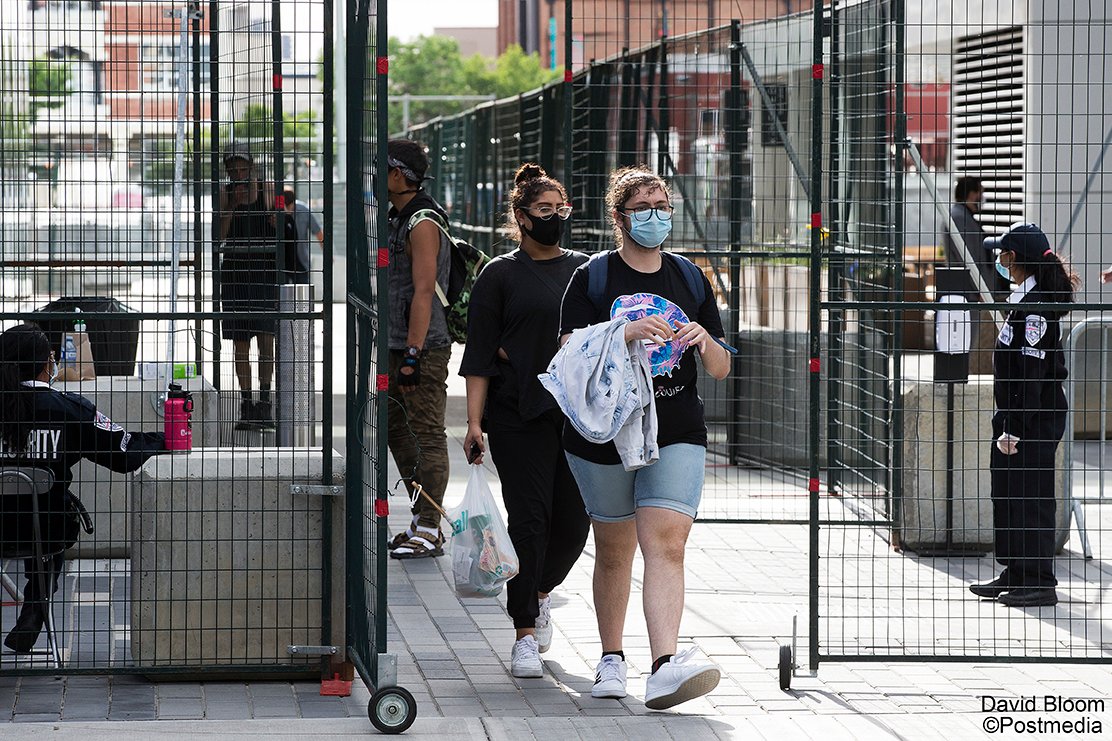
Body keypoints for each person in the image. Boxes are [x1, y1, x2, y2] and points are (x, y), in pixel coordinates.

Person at [556, 165, 731, 709]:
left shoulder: (690, 278)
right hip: (605, 431)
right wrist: (621, 331)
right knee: (614, 549)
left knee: (667, 544)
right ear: (620, 217)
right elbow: (568, 354)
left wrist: (705, 339)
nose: (656, 216)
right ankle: (611, 657)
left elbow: (724, 368)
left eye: (663, 206)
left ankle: (663, 666)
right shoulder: (593, 278)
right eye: (644, 208)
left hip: (677, 425)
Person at [459, 163, 590, 678]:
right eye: (543, 211)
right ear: (520, 216)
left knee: (575, 526)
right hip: (517, 415)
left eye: (561, 210)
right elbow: (479, 356)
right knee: (530, 522)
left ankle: (537, 593)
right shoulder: (500, 274)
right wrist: (474, 424)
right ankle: (525, 634)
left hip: (579, 417)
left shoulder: (585, 271)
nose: (554, 218)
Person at [0, 324, 165, 653]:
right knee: (47, 520)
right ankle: (36, 604)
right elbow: (124, 454)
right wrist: (167, 440)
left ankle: (35, 607)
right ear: (47, 363)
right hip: (45, 528)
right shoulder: (67, 409)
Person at [968, 223, 1079, 608]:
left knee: (1031, 497)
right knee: (1009, 492)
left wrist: (1014, 427)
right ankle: (1016, 570)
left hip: (1032, 418)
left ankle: (1039, 580)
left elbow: (1030, 375)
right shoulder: (1024, 297)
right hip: (1015, 415)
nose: (998, 259)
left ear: (1015, 259)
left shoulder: (1035, 310)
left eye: (1002, 253)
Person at [384, 139, 452, 559]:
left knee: (427, 433)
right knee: (396, 429)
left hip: (421, 348)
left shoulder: (422, 221)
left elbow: (425, 291)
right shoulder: (398, 216)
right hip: (398, 343)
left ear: (398, 174)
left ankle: (430, 528)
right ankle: (421, 516)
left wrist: (412, 355)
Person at [217, 144, 278, 430]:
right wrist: (231, 207)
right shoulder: (226, 193)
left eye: (243, 168)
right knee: (241, 341)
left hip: (265, 271)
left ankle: (265, 401)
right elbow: (218, 238)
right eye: (233, 170)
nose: (238, 174)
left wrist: (271, 208)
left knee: (267, 337)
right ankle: (246, 402)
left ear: (252, 167)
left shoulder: (268, 188)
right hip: (235, 273)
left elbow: (281, 226)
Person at [941, 176, 1001, 374]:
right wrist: (979, 288)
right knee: (964, 337)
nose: (981, 198)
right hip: (968, 290)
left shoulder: (961, 216)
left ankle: (958, 374)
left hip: (969, 289)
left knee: (966, 337)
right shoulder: (959, 217)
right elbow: (968, 257)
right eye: (979, 193)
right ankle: (957, 376)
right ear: (972, 193)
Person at [281, 186, 323, 286]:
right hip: (282, 259)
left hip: (300, 258)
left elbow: (318, 231)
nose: (288, 210)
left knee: (303, 288)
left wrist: (326, 252)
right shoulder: (277, 209)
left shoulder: (304, 210)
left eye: (289, 206)